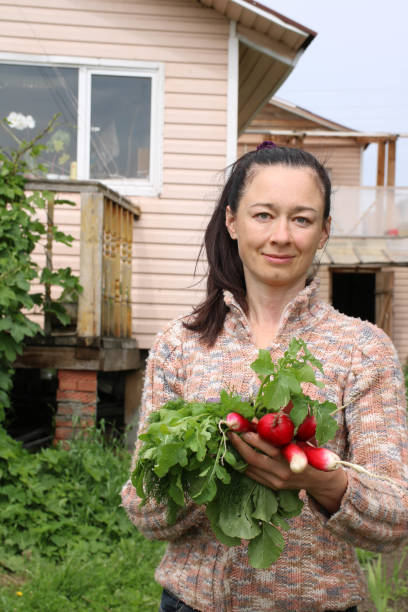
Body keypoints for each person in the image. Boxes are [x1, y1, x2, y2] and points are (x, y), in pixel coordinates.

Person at [121, 143, 408, 612]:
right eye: (263, 215)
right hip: (195, 603)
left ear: (324, 232)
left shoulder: (364, 349)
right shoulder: (181, 343)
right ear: (233, 222)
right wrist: (213, 467)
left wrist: (321, 484)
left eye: (301, 219)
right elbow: (143, 508)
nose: (281, 235)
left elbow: (396, 519)